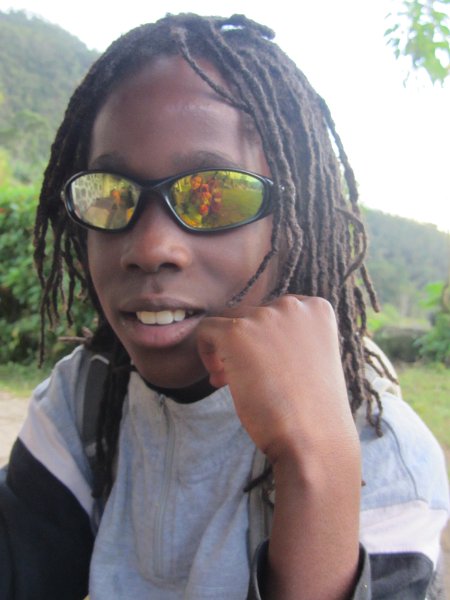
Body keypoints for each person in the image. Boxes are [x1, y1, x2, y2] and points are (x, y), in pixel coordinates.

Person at [0, 13, 448, 600]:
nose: (151, 247)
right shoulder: (86, 399)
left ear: (291, 225)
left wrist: (318, 464)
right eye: (110, 195)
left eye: (213, 196)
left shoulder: (384, 455)